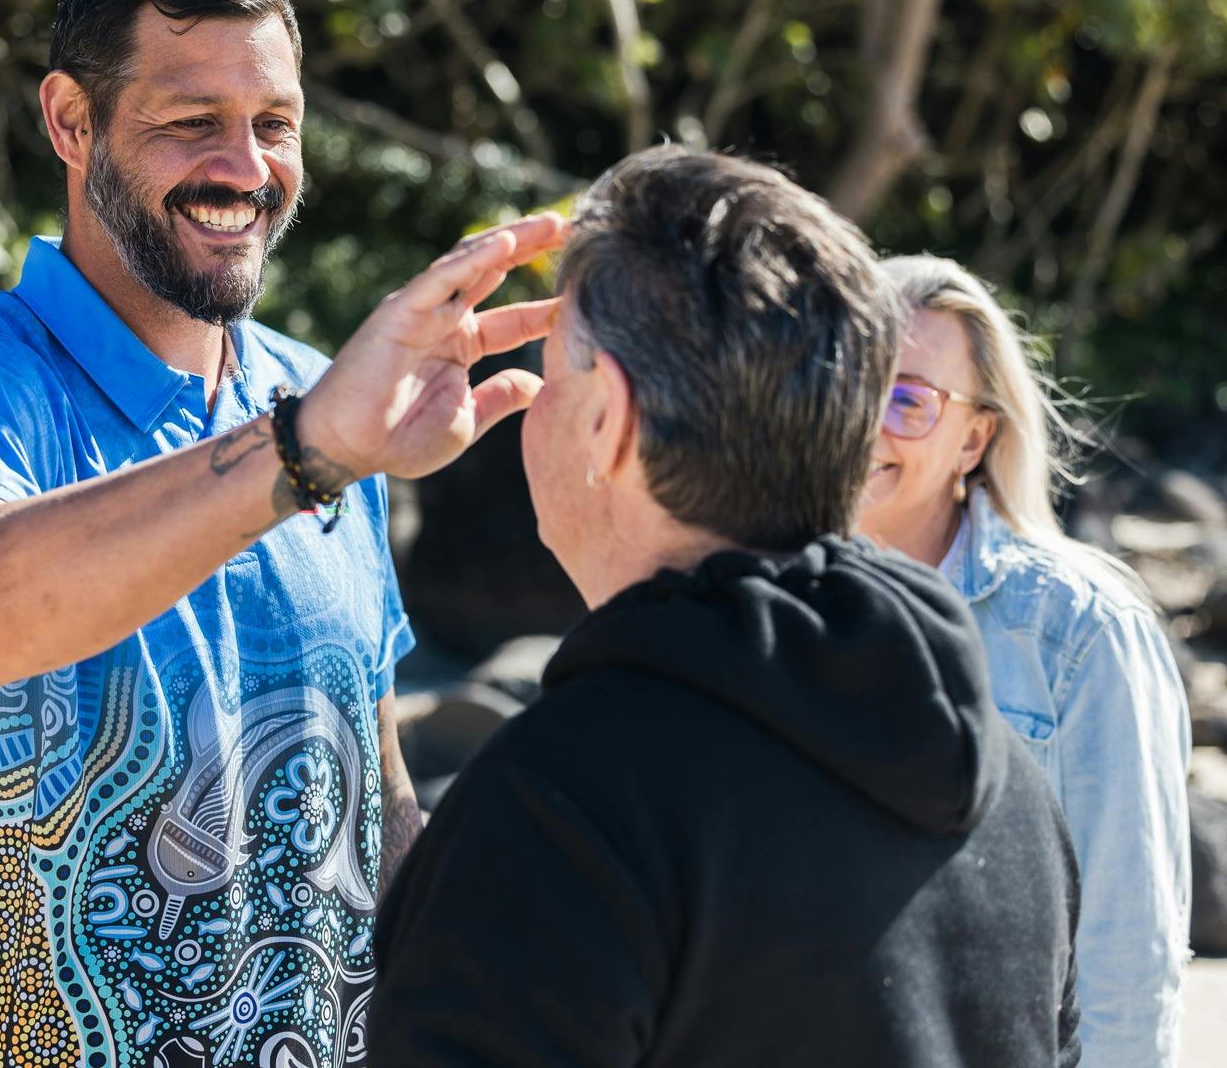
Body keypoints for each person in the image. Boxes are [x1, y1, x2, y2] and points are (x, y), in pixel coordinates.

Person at [0, 0, 564, 1068]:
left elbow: (368, 797)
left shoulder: (316, 396)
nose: (246, 166)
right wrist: (304, 452)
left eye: (273, 124)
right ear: (70, 123)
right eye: (192, 122)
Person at [369, 147, 1082, 1067]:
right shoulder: (1010, 789)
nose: (529, 411)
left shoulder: (562, 812)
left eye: (554, 372)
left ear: (608, 419)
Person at [856, 254, 1192, 1067]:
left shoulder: (1080, 634)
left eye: (907, 399)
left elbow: (1127, 962)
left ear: (975, 437)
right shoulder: (759, 612)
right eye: (850, 383)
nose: (867, 423)